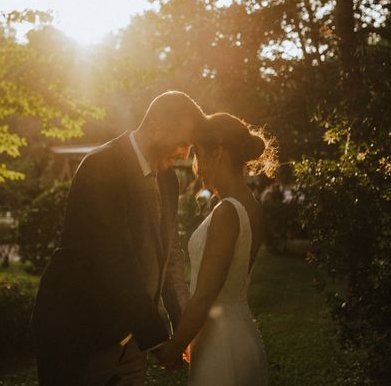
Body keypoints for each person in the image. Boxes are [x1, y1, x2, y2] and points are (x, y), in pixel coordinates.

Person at [31, 91, 206, 386]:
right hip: (80, 333)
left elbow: (170, 255)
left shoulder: (167, 180)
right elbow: (114, 259)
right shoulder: (101, 167)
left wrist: (183, 329)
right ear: (155, 128)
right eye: (182, 143)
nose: (185, 155)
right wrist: (158, 340)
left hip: (133, 343)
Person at [156, 112, 277, 385]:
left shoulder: (226, 212)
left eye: (198, 154)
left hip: (220, 344)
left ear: (218, 152)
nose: (195, 164)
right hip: (241, 331)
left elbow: (205, 294)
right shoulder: (252, 206)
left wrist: (174, 347)